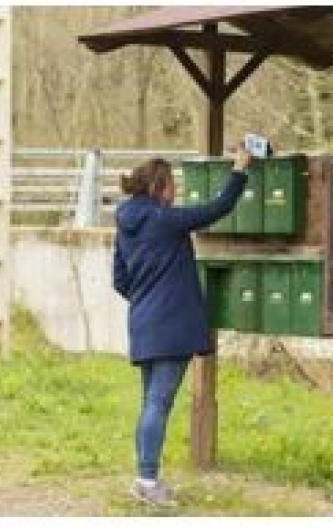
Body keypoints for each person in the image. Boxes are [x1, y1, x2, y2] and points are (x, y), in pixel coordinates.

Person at [112, 146, 250, 506]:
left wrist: (147, 299)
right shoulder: (164, 219)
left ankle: (145, 477)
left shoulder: (125, 225)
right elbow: (218, 208)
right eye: (173, 184)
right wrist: (240, 169)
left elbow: (120, 280)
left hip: (143, 324)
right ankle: (146, 482)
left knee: (151, 403)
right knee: (158, 403)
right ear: (159, 187)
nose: (177, 191)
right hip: (171, 327)